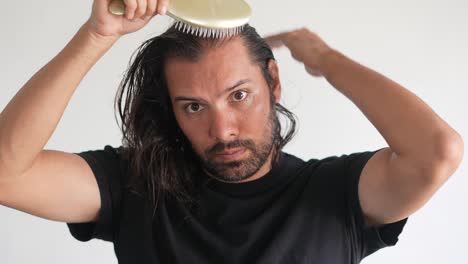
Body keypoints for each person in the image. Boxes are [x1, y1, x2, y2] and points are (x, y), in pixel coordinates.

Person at [0, 0, 463, 263]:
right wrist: (97, 37)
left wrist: (326, 60)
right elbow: (6, 173)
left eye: (239, 95)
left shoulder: (337, 193)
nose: (222, 129)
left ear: (273, 83)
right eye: (195, 106)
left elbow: (437, 151)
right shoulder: (134, 186)